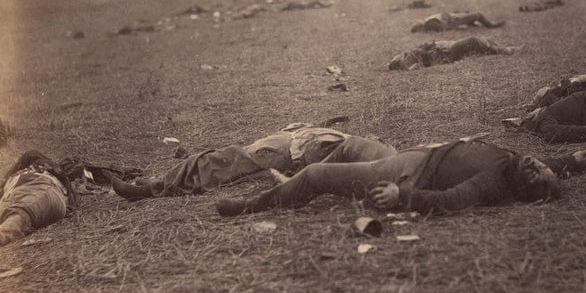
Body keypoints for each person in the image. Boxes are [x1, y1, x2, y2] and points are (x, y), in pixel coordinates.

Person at [215, 138, 586, 217]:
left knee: (317, 174)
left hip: (405, 172)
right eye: (543, 167)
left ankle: (252, 207)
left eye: (537, 176)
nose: (536, 166)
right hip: (413, 153)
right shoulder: (521, 165)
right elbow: (546, 164)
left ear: (524, 190)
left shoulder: (498, 181)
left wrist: (403, 198)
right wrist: (575, 159)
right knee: (351, 144)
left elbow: (452, 201)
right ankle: (289, 183)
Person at [111, 124, 397, 200]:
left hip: (293, 149)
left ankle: (152, 187)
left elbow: (328, 165)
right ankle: (155, 184)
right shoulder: (386, 159)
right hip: (298, 142)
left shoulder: (384, 163)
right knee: (224, 161)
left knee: (220, 162)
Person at [0, 150, 76, 249]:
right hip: (12, 198)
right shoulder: (15, 175)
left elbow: (32, 155)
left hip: (41, 187)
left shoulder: (47, 170)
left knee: (21, 212)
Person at [388, 36, 514, 70]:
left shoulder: (407, 55)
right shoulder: (410, 59)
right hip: (446, 55)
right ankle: (504, 51)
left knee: (482, 40)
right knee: (473, 40)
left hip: (446, 48)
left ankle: (503, 48)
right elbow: (413, 66)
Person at [410, 12, 505, 33]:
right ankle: (492, 25)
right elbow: (443, 27)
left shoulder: (428, 21)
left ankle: (472, 24)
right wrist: (456, 27)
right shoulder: (429, 22)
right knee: (478, 15)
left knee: (472, 17)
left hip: (454, 18)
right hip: (455, 20)